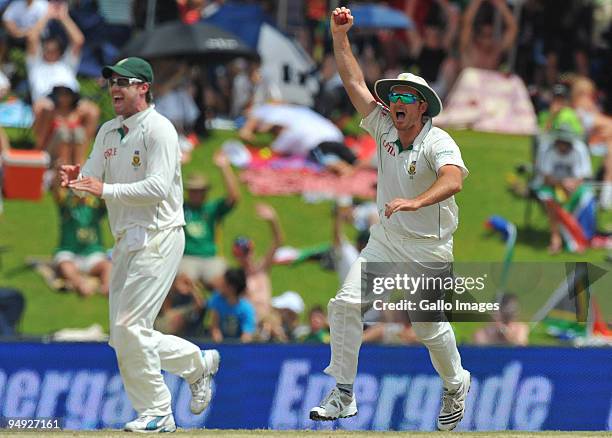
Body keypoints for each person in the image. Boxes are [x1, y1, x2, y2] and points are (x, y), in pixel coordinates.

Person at [309, 8, 471, 432]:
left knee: (428, 329)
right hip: (386, 240)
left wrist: (417, 203)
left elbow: (453, 180)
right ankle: (342, 393)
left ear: (421, 108)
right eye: (393, 97)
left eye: (405, 99)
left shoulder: (438, 140)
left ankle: (456, 383)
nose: (395, 103)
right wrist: (339, 37)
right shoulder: (383, 125)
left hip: (429, 247)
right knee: (345, 305)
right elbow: (354, 83)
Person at [60, 57, 220, 433]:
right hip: (126, 240)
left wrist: (106, 189)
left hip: (160, 234)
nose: (115, 88)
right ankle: (196, 364)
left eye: (123, 82)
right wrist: (78, 177)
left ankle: (159, 413)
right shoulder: (107, 132)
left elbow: (158, 188)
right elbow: (93, 176)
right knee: (122, 337)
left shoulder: (159, 130)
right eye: (112, 82)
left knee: (131, 327)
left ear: (143, 88)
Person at [26, 2, 99, 153]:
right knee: (43, 108)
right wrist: (47, 16)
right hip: (48, 101)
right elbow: (32, 38)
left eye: (54, 50)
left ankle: (82, 154)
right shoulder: (36, 64)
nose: (50, 52)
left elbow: (78, 40)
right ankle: (40, 151)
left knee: (92, 111)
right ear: (43, 50)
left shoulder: (66, 64)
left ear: (60, 51)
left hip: (72, 101)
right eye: (47, 49)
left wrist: (64, 18)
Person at [179, 154, 240, 288]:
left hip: (210, 257)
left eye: (200, 191)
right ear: (188, 191)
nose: (197, 194)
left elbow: (234, 198)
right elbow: (163, 194)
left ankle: (217, 308)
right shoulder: (180, 208)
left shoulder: (212, 208)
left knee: (227, 283)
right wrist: (178, 166)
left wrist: (225, 168)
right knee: (182, 284)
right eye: (194, 190)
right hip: (186, 257)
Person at [51, 173, 111, 296]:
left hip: (92, 254)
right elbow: (56, 191)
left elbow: (108, 197)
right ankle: (80, 284)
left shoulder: (95, 206)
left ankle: (107, 288)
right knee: (65, 266)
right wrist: (58, 173)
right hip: (70, 253)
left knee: (108, 266)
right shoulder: (67, 204)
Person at [535, 129, 593, 254]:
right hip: (551, 186)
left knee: (586, 197)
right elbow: (546, 177)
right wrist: (562, 184)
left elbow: (583, 175)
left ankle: (577, 237)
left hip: (575, 187)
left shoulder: (579, 150)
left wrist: (572, 184)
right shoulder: (547, 149)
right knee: (550, 199)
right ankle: (556, 238)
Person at [232, 203, 283, 322]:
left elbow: (277, 242)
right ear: (236, 257)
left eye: (248, 252)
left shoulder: (262, 268)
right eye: (242, 254)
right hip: (251, 322)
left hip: (267, 319)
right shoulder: (238, 278)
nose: (246, 257)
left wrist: (273, 220)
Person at [459, 0, 518, 71]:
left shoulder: (496, 49)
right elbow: (466, 24)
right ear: (478, 37)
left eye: (490, 35)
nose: (487, 39)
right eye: (484, 35)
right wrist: (477, 2)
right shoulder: (469, 47)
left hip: (491, 81)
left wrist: (499, 4)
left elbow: (513, 29)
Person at [207, 267, 256, 343]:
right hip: (219, 344)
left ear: (231, 288)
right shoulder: (216, 299)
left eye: (223, 283)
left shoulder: (246, 309)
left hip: (237, 347)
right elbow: (214, 325)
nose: (220, 285)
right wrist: (217, 336)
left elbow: (247, 334)